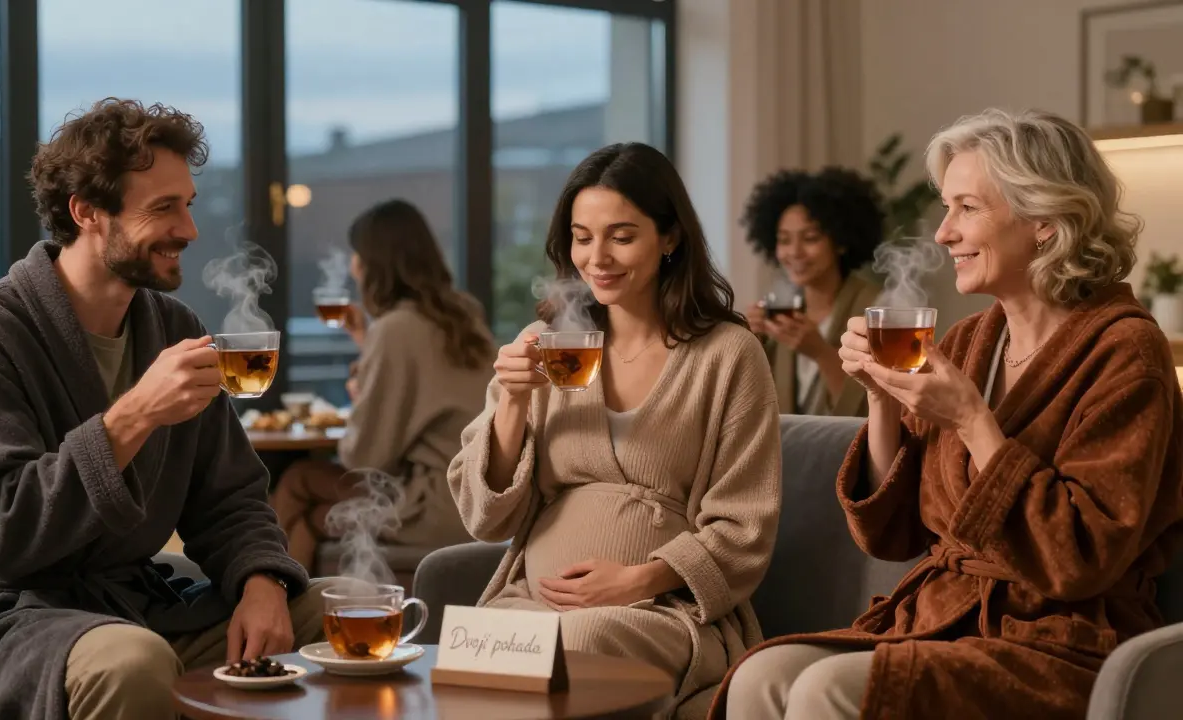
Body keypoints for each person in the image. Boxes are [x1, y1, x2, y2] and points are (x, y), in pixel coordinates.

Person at [713, 108, 1183, 720]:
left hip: (1064, 639)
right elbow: (894, 531)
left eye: (967, 207)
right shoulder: (968, 342)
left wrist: (972, 421)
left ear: (1043, 220)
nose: (942, 233)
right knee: (761, 675)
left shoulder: (1126, 352)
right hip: (945, 614)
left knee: (823, 690)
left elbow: (1081, 559)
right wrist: (881, 395)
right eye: (945, 207)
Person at [0, 98, 330, 720]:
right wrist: (132, 416)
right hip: (10, 620)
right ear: (86, 213)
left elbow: (229, 496)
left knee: (330, 608)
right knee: (132, 663)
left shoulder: (170, 326)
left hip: (136, 602)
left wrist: (261, 580)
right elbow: (7, 532)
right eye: (163, 208)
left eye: (187, 204)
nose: (188, 230)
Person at [448, 142, 782, 720]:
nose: (597, 257)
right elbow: (486, 518)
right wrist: (512, 405)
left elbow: (746, 526)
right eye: (582, 236)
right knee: (466, 654)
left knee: (575, 649)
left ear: (669, 237)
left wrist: (637, 581)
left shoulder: (728, 354)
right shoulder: (548, 342)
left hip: (662, 614)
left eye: (621, 236)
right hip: (534, 603)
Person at [270, 199, 493, 571]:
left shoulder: (396, 329)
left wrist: (370, 352)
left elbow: (363, 459)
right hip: (475, 495)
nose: (353, 266)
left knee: (296, 481)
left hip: (433, 504)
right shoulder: (463, 312)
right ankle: (288, 604)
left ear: (372, 264)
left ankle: (272, 600)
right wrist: (365, 338)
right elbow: (419, 387)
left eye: (356, 255)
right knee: (312, 519)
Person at [741, 167, 886, 416]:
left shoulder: (876, 306)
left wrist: (820, 352)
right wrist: (749, 343)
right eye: (784, 240)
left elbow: (879, 405)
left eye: (809, 238)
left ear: (840, 241)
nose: (794, 252)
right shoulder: (782, 312)